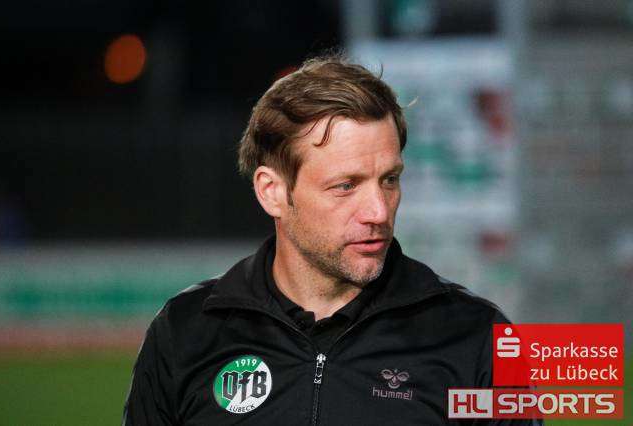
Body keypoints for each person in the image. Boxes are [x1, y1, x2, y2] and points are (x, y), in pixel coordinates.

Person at [123, 55, 540, 425]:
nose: (378, 211)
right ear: (272, 192)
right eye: (345, 186)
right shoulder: (185, 332)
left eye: (389, 180)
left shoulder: (477, 338)